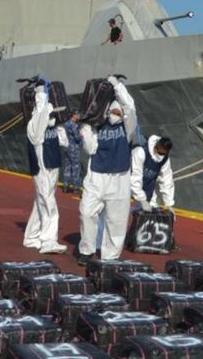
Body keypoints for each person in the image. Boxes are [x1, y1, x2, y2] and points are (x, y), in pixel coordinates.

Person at [77, 76, 137, 264]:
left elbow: (130, 107)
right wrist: (86, 128)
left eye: (119, 111)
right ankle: (86, 250)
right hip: (96, 176)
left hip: (119, 177)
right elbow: (90, 149)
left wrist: (117, 86)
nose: (116, 113)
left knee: (116, 220)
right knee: (86, 212)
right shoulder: (98, 126)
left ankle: (110, 256)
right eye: (112, 111)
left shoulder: (128, 129)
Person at [23, 85, 69, 254]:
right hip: (41, 169)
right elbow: (37, 134)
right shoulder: (33, 126)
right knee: (48, 202)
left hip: (53, 167)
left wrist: (59, 125)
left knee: (41, 202)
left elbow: (64, 142)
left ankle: (31, 236)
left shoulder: (54, 128)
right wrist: (41, 95)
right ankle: (49, 240)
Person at [130, 135, 175, 212]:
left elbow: (167, 179)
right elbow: (134, 177)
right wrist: (142, 200)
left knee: (152, 217)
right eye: (160, 153)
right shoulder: (140, 152)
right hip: (128, 192)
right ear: (156, 147)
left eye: (163, 154)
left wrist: (169, 204)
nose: (160, 156)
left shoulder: (164, 159)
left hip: (147, 193)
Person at [62, 118, 82, 193]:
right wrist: (81, 137)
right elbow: (77, 137)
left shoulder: (66, 123)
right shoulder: (73, 125)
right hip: (74, 148)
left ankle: (65, 186)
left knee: (67, 167)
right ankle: (76, 187)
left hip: (67, 147)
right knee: (75, 168)